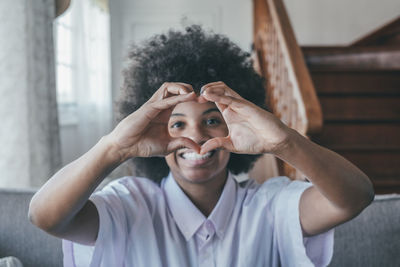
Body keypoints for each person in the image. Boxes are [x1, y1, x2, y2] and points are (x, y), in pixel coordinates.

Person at [29, 25, 374, 267]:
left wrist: (284, 141)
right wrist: (115, 148)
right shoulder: (129, 205)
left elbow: (356, 196)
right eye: (177, 124)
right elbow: (44, 216)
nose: (196, 138)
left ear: (234, 128)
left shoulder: (271, 206)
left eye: (212, 121)